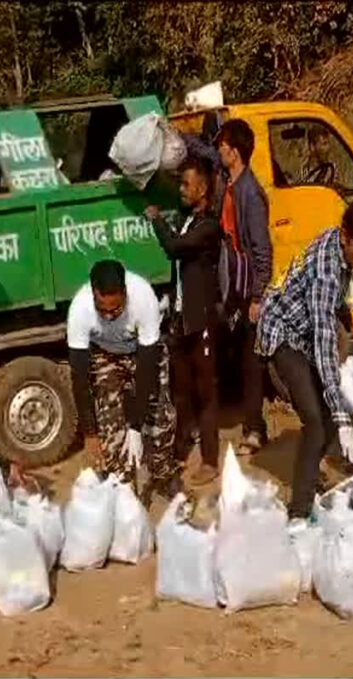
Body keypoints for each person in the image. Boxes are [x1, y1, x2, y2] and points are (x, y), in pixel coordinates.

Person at [257, 200, 353, 519]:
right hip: (283, 337)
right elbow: (324, 340)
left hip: (302, 333)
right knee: (316, 423)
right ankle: (299, 513)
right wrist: (343, 421)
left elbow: (344, 296)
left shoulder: (336, 240)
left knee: (328, 415)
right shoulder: (326, 272)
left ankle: (309, 477)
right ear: (348, 239)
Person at [67, 260, 179, 502]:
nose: (109, 315)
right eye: (103, 310)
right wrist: (90, 433)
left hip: (142, 352)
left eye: (116, 310)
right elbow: (79, 377)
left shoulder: (143, 297)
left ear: (125, 294)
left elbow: (147, 367)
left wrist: (136, 426)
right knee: (110, 426)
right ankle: (124, 489)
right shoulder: (80, 309)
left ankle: (163, 475)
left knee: (160, 416)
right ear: (93, 293)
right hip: (105, 355)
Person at [145, 156, 222, 486]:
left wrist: (156, 220)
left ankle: (210, 460)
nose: (181, 189)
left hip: (200, 323)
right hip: (180, 320)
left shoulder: (208, 228)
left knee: (206, 393)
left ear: (203, 189)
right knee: (180, 391)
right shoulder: (188, 219)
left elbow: (175, 247)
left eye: (186, 184)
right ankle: (179, 450)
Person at [215, 118, 273, 457]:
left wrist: (257, 296)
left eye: (223, 146)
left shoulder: (250, 193)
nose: (219, 151)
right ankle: (252, 425)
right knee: (239, 357)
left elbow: (262, 249)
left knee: (252, 361)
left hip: (247, 287)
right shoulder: (229, 186)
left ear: (235, 152)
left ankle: (255, 430)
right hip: (233, 285)